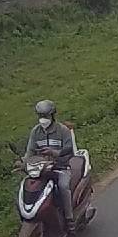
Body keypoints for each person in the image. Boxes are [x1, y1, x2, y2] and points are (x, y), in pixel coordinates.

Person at [25, 99, 76, 230]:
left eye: (46, 116)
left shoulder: (62, 130)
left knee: (63, 186)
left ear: (52, 115)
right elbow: (30, 151)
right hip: (41, 170)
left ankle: (69, 218)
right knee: (28, 186)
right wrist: (23, 162)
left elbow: (69, 149)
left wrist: (54, 153)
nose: (43, 119)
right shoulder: (35, 132)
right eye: (40, 115)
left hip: (61, 168)